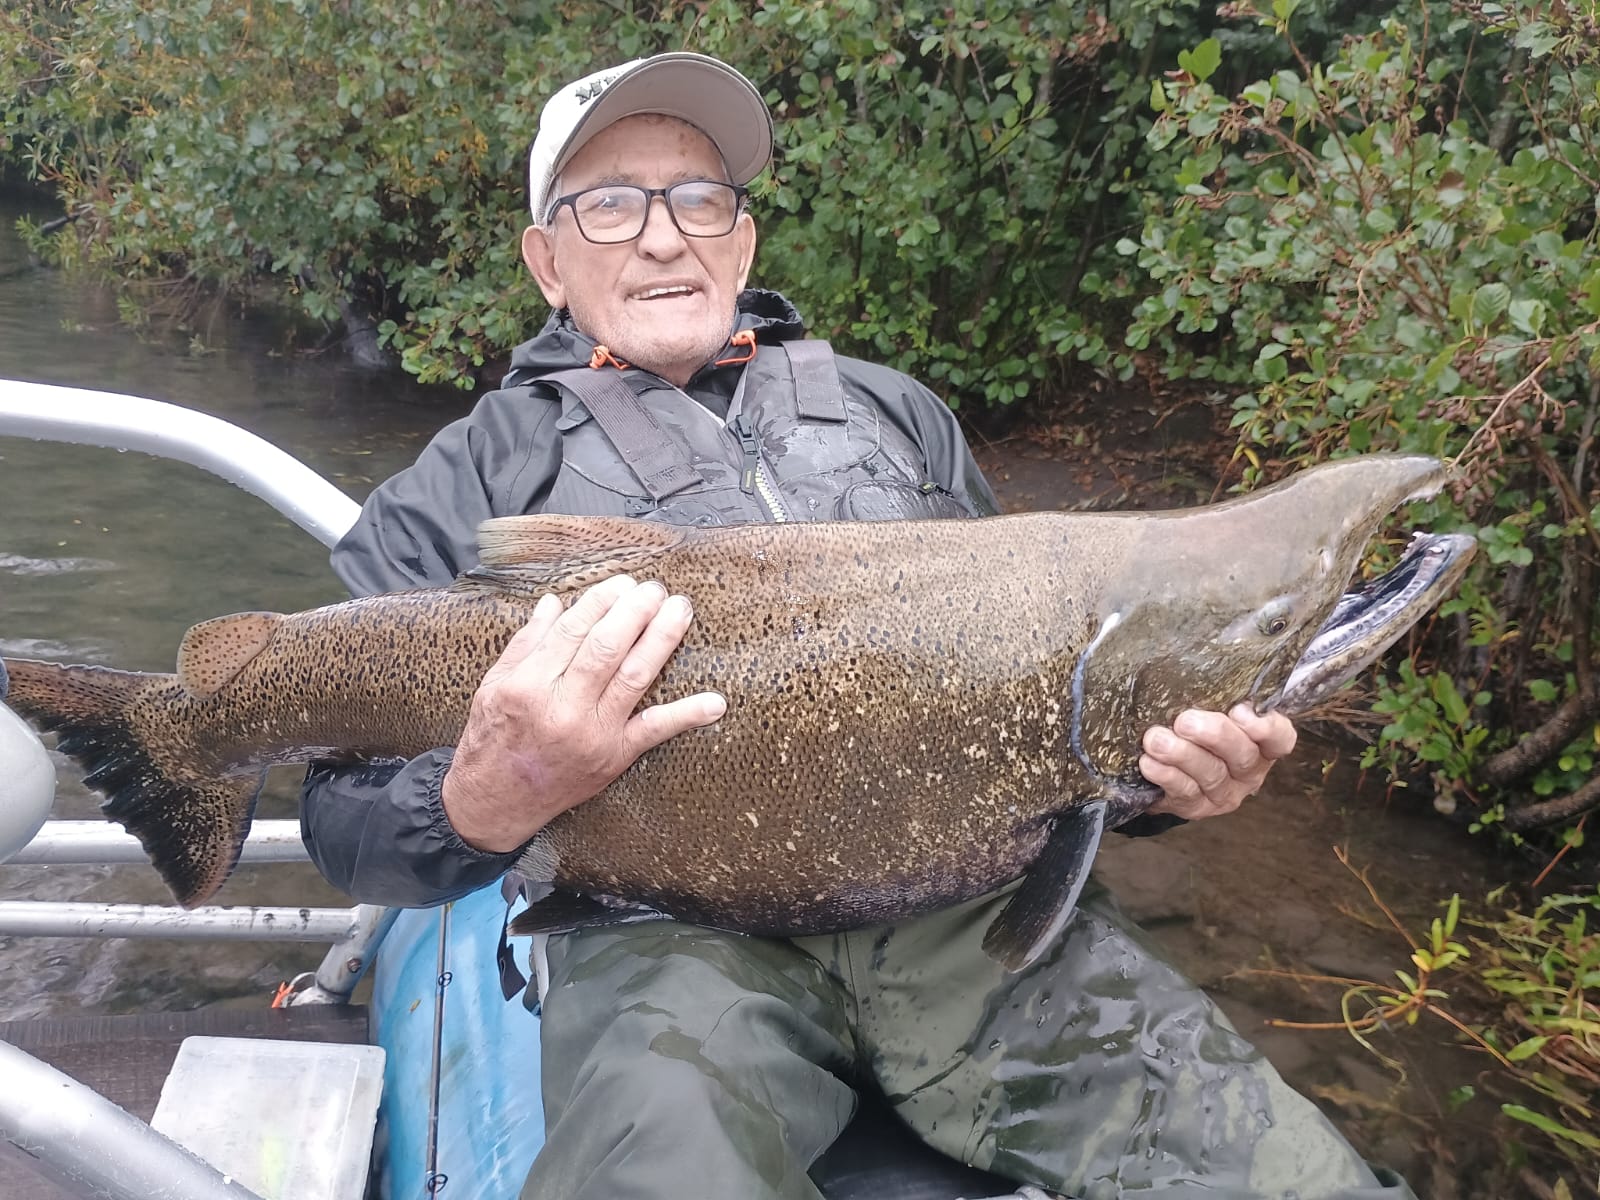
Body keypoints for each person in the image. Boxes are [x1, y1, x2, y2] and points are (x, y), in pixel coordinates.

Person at [301, 52, 1416, 1200]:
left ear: (741, 238)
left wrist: (1174, 794)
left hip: (982, 932)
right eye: (609, 204)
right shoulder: (464, 477)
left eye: (698, 198)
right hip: (669, 940)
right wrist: (485, 798)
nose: (662, 237)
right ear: (547, 259)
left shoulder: (901, 415)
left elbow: (1065, 706)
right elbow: (338, 825)